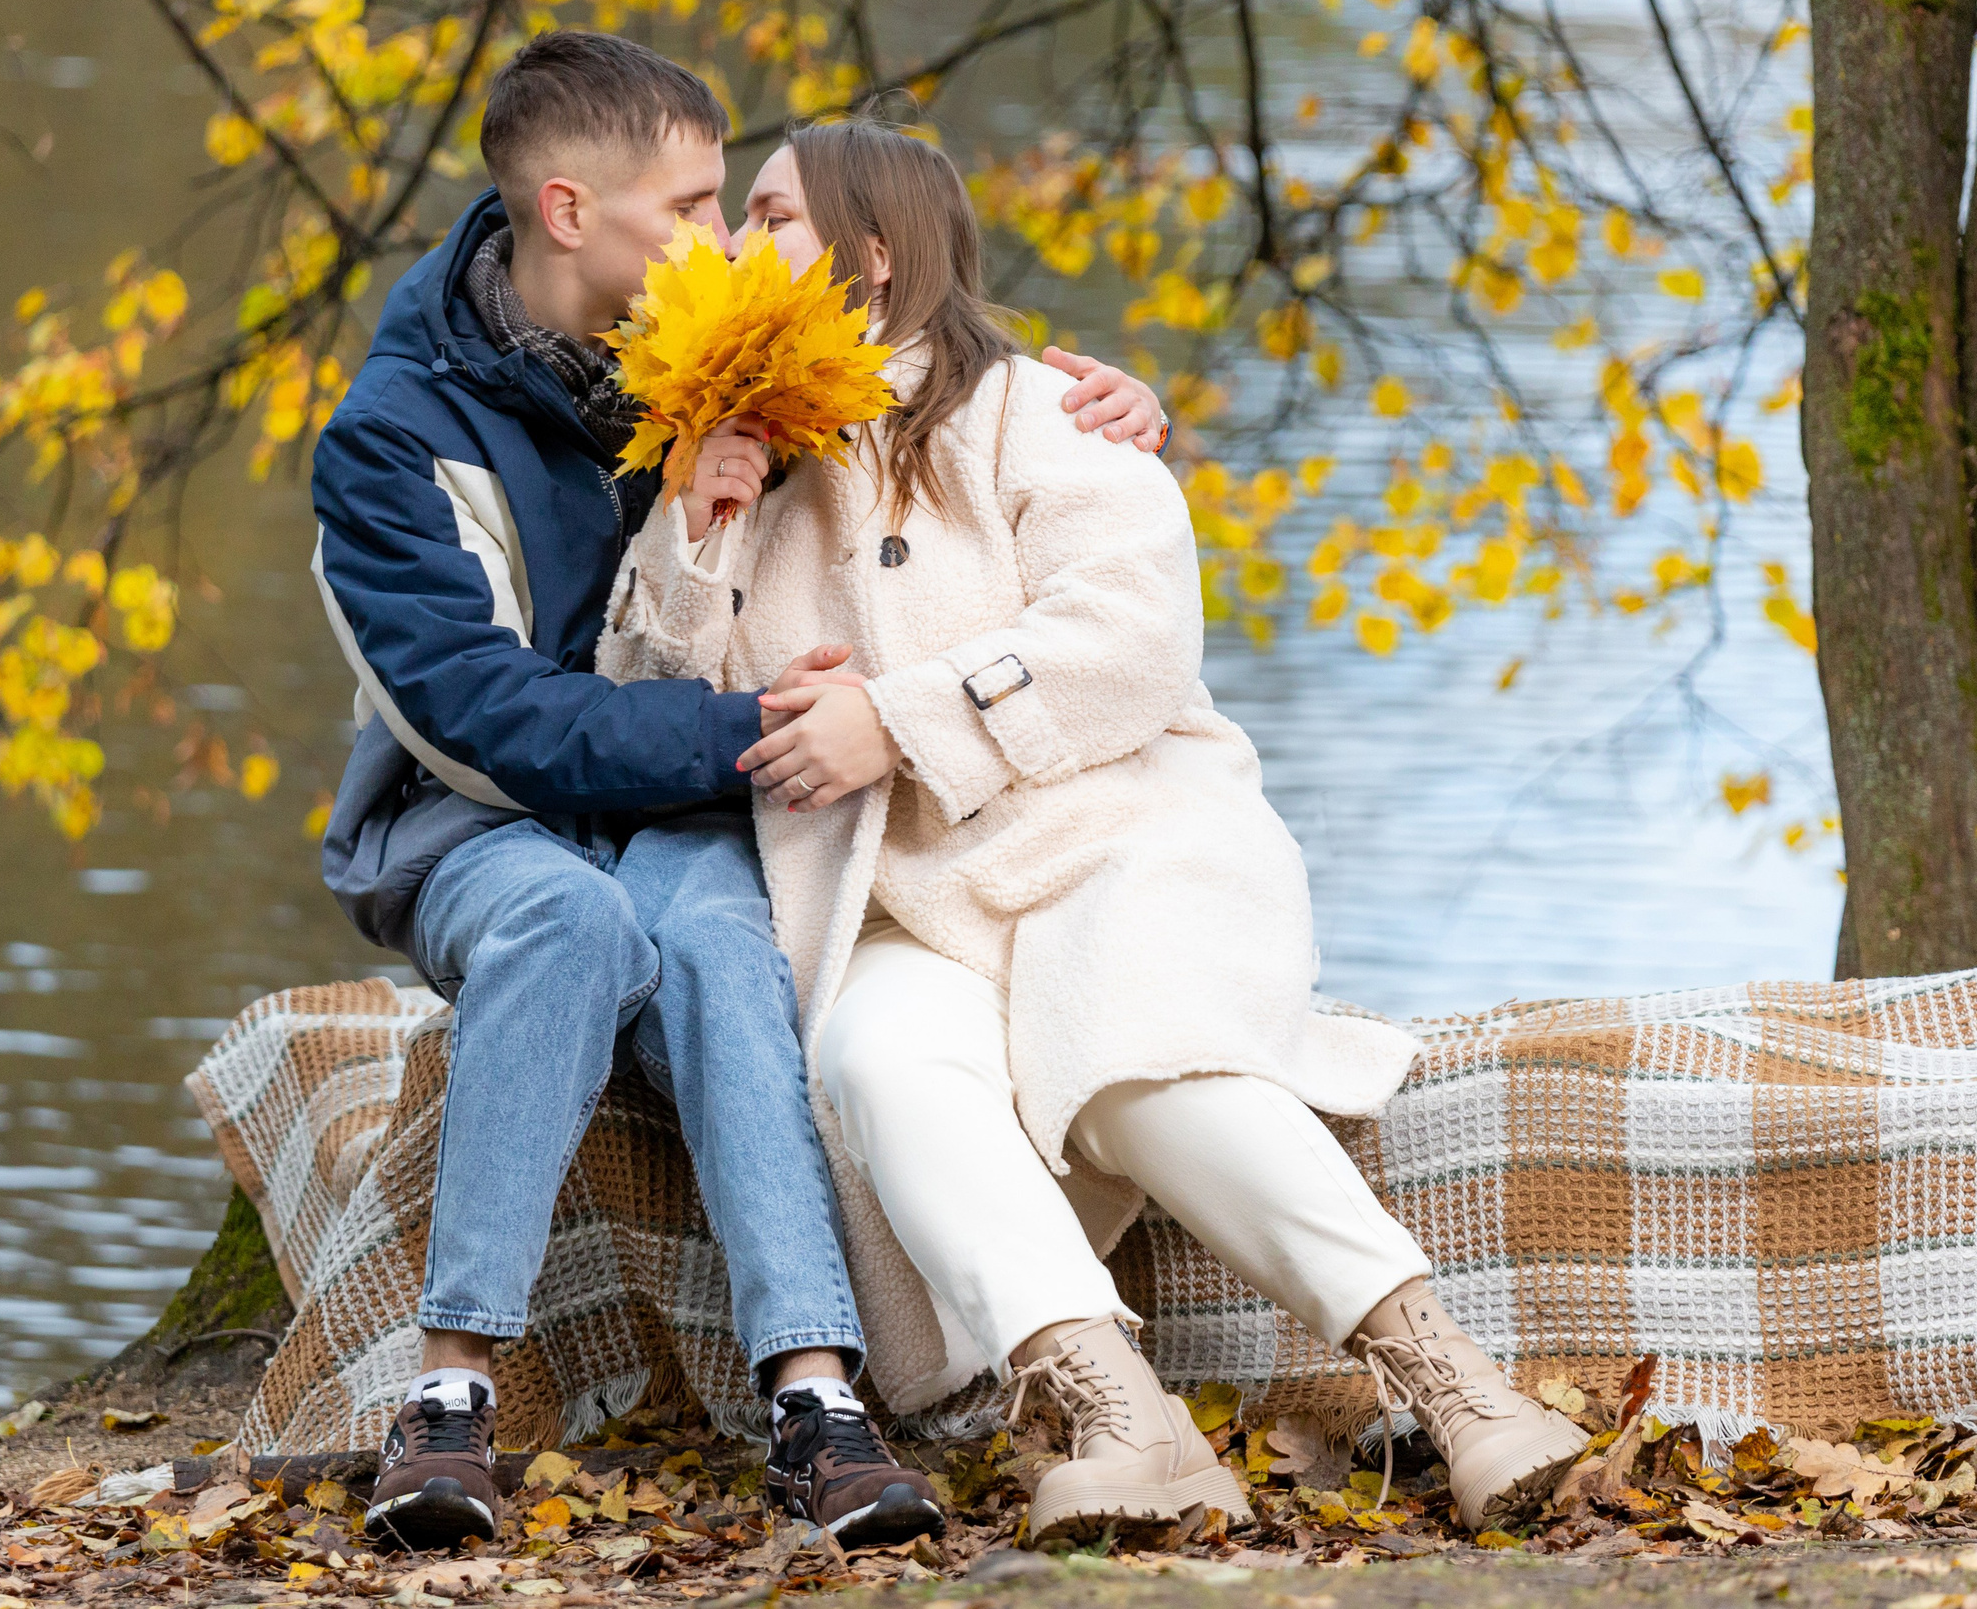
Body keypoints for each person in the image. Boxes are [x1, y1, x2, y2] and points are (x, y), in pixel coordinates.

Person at [595, 119, 1591, 1548]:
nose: (737, 247)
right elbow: (639, 714)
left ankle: (1458, 1385)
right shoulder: (728, 455)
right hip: (900, 895)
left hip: (1109, 851)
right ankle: (1119, 1413)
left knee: (1135, 1067)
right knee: (876, 1058)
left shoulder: (1042, 411)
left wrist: (901, 721)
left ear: (872, 254)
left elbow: (1131, 635)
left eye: (772, 216)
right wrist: (698, 534)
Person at [310, 34, 1165, 1549]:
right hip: (478, 822)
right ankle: (448, 1399)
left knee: (719, 946)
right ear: (569, 212)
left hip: (688, 822)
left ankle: (815, 1404)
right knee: (566, 925)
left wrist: (1102, 404)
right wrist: (745, 732)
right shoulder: (392, 441)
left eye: (727, 203)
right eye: (690, 208)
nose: (721, 242)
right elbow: (483, 720)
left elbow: (927, 380)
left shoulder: (713, 349)